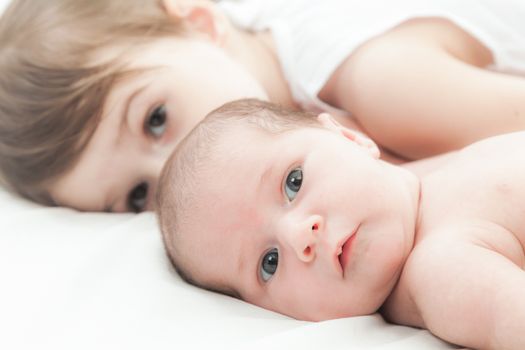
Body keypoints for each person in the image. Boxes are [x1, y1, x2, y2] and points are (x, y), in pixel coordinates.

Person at [2, 0, 525, 213]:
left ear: (199, 22)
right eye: (139, 197)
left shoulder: (382, 84)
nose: (174, 170)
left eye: (155, 119)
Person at [157, 98, 525, 350]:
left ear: (351, 137)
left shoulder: (427, 187)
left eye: (293, 182)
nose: (298, 234)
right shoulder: (441, 269)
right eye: (269, 263)